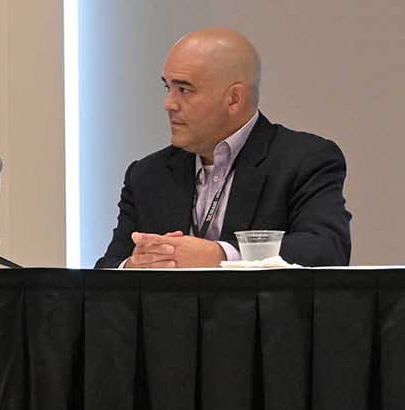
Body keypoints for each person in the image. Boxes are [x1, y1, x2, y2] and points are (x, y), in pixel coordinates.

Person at [97, 28, 350, 268]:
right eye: (168, 87)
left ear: (234, 99)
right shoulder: (147, 175)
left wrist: (220, 255)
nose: (169, 103)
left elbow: (327, 249)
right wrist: (134, 265)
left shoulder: (304, 160)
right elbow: (108, 269)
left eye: (184, 89)